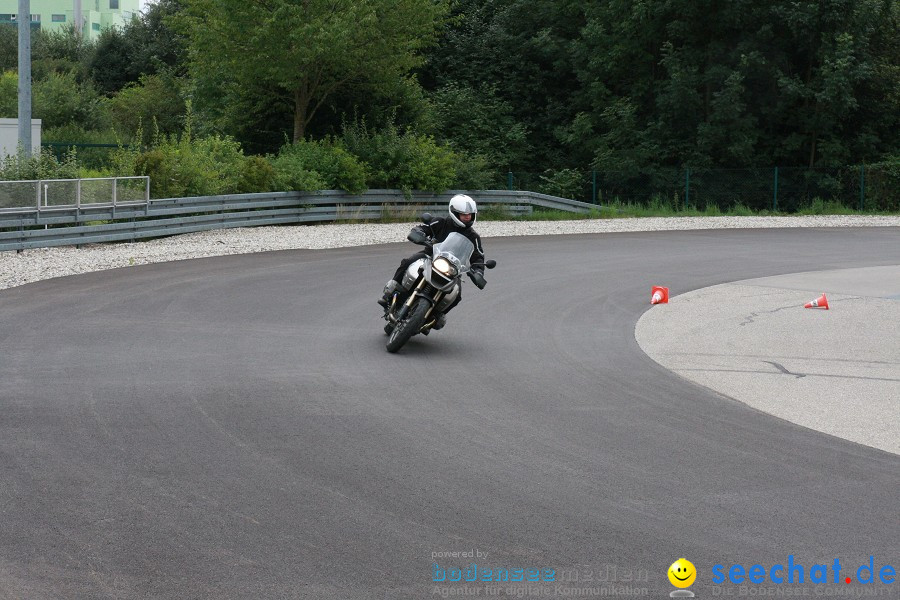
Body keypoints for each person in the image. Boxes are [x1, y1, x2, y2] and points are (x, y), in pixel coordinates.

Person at [379, 194, 486, 329]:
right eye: (464, 214)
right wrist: (418, 232)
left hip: (453, 269)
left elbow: (478, 257)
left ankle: (436, 315)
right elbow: (424, 227)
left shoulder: (473, 236)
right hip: (430, 256)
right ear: (454, 212)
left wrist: (479, 271)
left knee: (457, 295)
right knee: (407, 262)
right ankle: (391, 290)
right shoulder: (440, 222)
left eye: (470, 214)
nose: (468, 217)